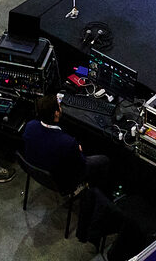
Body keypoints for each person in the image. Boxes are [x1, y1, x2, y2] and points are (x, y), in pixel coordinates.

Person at [21, 95, 112, 243]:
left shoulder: (30, 126)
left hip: (38, 169)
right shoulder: (67, 143)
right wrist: (78, 150)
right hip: (65, 181)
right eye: (59, 105)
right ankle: (99, 196)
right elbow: (82, 165)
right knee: (103, 160)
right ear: (56, 113)